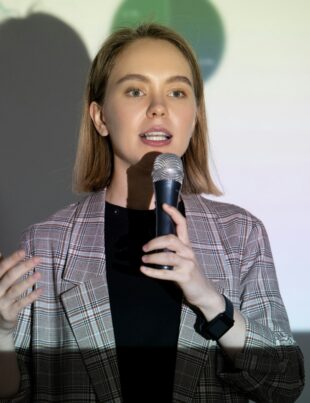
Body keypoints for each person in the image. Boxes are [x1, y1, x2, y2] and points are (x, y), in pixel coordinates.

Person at [0, 23, 304, 402]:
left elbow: (285, 384)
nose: (159, 107)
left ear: (194, 115)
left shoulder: (240, 234)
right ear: (100, 118)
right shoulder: (47, 243)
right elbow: (13, 392)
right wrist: (1, 332)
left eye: (177, 92)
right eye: (135, 90)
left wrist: (210, 301)